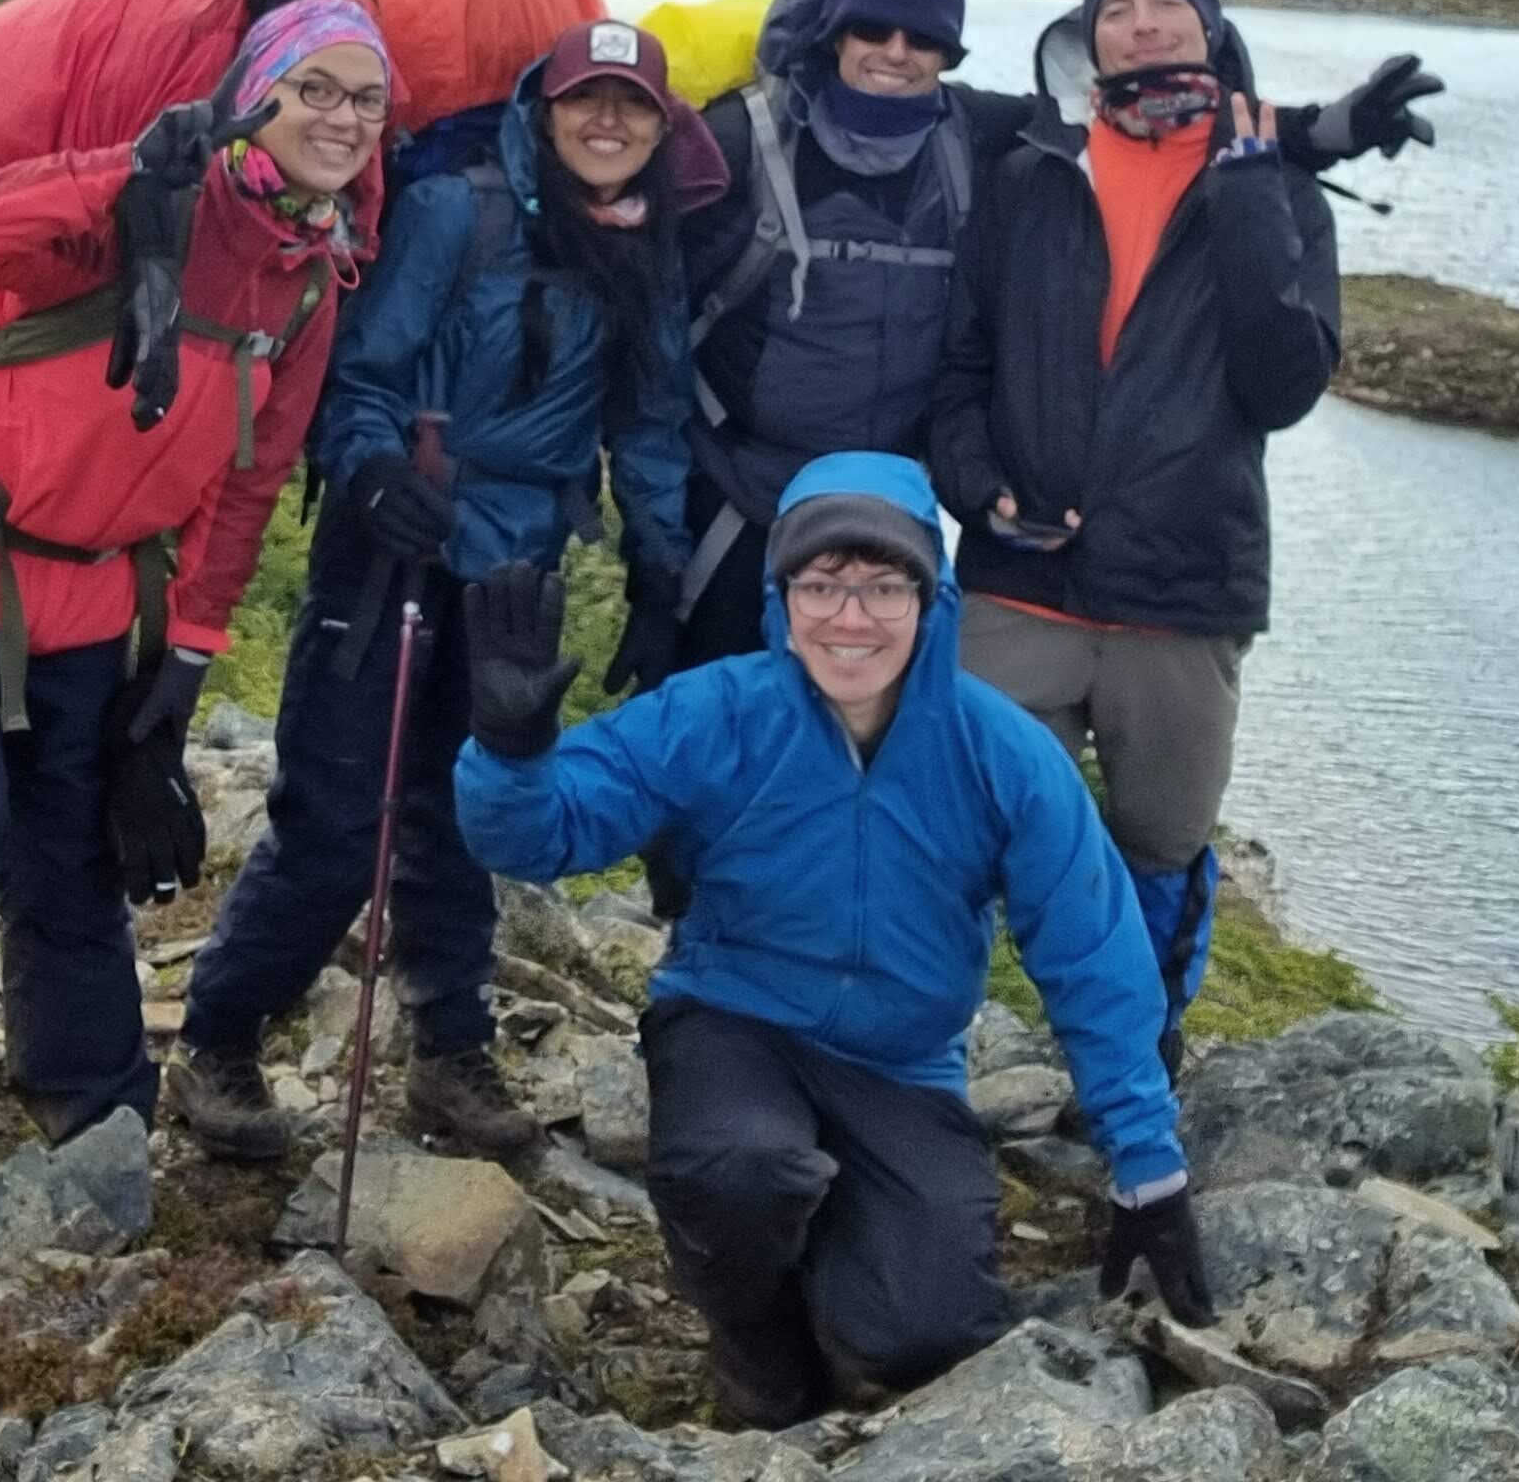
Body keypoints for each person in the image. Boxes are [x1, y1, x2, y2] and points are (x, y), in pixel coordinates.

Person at [453, 454, 1211, 1429]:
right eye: (822, 583)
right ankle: (760, 1350)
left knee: (927, 1333)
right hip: (734, 1020)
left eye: (883, 585)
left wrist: (1149, 1171)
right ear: (782, 594)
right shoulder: (718, 711)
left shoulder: (999, 751)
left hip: (902, 1063)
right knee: (741, 1165)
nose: (850, 617)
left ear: (931, 598)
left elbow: (1093, 960)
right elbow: (542, 834)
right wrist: (511, 755)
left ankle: (830, 1244)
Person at [0, 0, 384, 1157]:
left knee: (73, 852)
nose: (343, 118)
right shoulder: (140, 203)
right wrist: (124, 174)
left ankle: (92, 1102)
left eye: (369, 99)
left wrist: (185, 660)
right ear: (252, 91)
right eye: (315, 87)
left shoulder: (312, 275)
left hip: (88, 603)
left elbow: (249, 481)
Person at [172, 20, 694, 1163]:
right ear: (541, 109)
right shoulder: (462, 209)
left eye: (633, 107)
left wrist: (664, 570)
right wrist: (364, 473)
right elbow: (363, 365)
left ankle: (448, 1051)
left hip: (519, 568)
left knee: (471, 813)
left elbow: (650, 424)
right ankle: (217, 1037)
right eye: (586, 100)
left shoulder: (647, 246)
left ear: (660, 129)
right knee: (337, 816)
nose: (608, 123)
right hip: (396, 545)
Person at [664, 0, 1435, 677]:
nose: (896, 54)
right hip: (738, 504)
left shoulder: (970, 135)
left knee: (857, 752)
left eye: (924, 36)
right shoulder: (739, 142)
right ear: (837, 30)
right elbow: (640, 308)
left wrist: (1318, 132)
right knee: (699, 732)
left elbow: (1142, 114)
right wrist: (651, 533)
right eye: (873, 28)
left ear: (949, 51)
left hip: (888, 510)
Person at [933, 0, 1341, 1094]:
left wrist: (1255, 192)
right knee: (980, 831)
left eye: (1170, 2)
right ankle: (921, 1064)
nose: (1145, 23)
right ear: (1088, 37)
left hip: (1182, 592)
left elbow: (1285, 387)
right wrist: (978, 487)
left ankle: (1135, 1069)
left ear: (1210, 28)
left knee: (1160, 846)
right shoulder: (1030, 172)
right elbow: (959, 367)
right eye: (1120, 7)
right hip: (1023, 585)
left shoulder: (1281, 187)